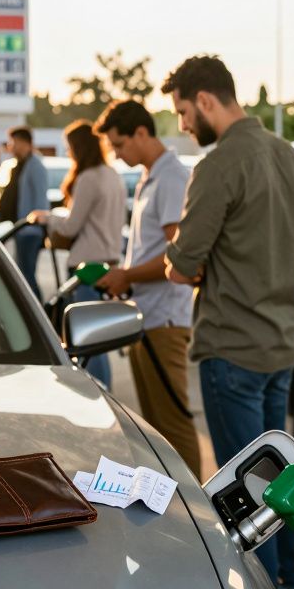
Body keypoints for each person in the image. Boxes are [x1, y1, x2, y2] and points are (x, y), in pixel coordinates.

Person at [162, 55, 294, 589]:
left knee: (247, 501)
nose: (182, 125)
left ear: (205, 100)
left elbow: (180, 264)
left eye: (182, 112)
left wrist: (182, 257)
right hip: (279, 345)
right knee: (284, 487)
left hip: (232, 349)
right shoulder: (291, 157)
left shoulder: (220, 164)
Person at [92, 99, 203, 479]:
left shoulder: (170, 178)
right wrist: (125, 275)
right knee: (155, 425)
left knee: (172, 423)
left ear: (142, 132)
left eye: (120, 144)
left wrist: (127, 276)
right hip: (148, 313)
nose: (117, 154)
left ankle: (199, 512)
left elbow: (181, 256)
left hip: (166, 318)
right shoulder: (150, 175)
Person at [29, 120, 125, 388]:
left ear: (79, 148)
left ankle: (100, 397)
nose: (68, 153)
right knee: (100, 340)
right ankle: (105, 395)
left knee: (87, 343)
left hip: (86, 268)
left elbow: (72, 226)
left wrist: (47, 218)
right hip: (108, 264)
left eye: (70, 147)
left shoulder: (88, 178)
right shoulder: (111, 175)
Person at [0, 126, 48, 298]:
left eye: (13, 142)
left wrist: (36, 223)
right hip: (20, 229)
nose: (10, 146)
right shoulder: (20, 165)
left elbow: (40, 200)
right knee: (23, 275)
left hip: (30, 230)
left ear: (25, 143)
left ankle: (38, 316)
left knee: (27, 277)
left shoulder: (35, 166)